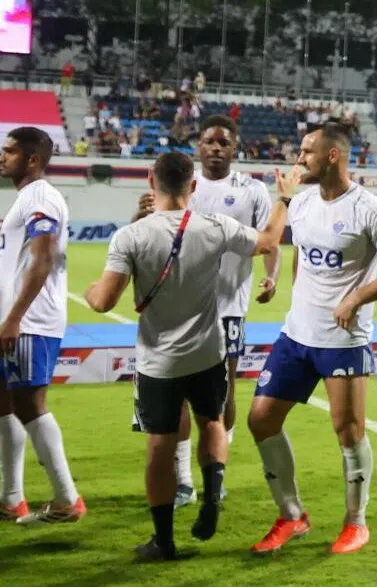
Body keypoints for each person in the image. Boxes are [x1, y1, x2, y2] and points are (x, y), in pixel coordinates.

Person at [84, 152, 293, 559]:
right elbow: (268, 241)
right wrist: (284, 198)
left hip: (158, 362)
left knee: (160, 445)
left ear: (151, 181)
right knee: (212, 421)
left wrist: (93, 290)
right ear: (193, 187)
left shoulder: (132, 236)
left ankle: (163, 541)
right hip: (208, 353)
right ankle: (212, 497)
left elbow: (104, 300)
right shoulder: (215, 226)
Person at [247, 124, 377, 555]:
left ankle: (356, 523)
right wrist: (283, 293)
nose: (298, 159)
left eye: (307, 151)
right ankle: (292, 515)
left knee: (348, 431)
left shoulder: (368, 208)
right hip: (296, 335)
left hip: (343, 340)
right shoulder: (301, 203)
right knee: (261, 419)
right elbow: (301, 256)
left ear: (333, 157)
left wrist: (356, 298)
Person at [134, 116, 281, 506]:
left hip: (229, 306)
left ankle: (217, 471)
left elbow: (271, 240)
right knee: (178, 394)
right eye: (209, 142)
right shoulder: (183, 184)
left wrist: (272, 277)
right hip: (181, 307)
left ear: (235, 149)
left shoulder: (251, 190)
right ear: (199, 146)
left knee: (225, 389)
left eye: (224, 143)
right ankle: (183, 480)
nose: (216, 149)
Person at [0, 128, 85, 525]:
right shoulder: (25, 199)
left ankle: (67, 499)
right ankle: (11, 498)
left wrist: (15, 317)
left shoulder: (40, 196)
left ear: (33, 159)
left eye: (11, 151)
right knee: (7, 405)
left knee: (29, 405)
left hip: (30, 322)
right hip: (14, 320)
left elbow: (43, 257)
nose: (3, 156)